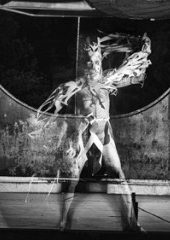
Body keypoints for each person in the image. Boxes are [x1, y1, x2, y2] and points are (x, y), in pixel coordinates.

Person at [37, 33, 151, 231]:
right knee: (72, 177)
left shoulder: (108, 79)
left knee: (119, 174)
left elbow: (134, 78)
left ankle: (133, 222)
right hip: (84, 134)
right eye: (89, 62)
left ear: (100, 61)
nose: (92, 65)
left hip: (104, 134)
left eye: (95, 61)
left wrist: (142, 55)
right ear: (85, 64)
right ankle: (63, 222)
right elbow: (60, 102)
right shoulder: (78, 85)